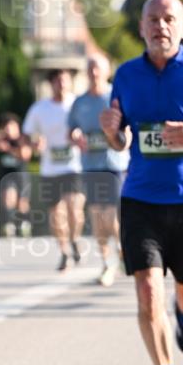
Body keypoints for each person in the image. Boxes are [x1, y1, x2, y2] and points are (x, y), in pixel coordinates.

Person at [100, 0, 183, 365]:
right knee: (147, 290)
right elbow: (121, 139)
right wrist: (111, 132)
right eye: (152, 19)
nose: (160, 26)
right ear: (141, 27)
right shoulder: (126, 74)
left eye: (169, 18)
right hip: (140, 199)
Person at [69, 55, 129, 287]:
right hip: (90, 165)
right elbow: (71, 129)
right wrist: (75, 136)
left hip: (115, 164)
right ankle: (107, 263)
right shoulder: (80, 102)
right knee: (96, 215)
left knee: (112, 216)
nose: (94, 73)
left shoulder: (116, 96)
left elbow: (130, 125)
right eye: (90, 69)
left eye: (97, 69)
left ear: (106, 71)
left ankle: (122, 250)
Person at [23, 69, 85, 271]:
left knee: (74, 208)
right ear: (51, 84)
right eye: (58, 81)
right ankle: (64, 251)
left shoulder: (78, 104)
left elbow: (91, 127)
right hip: (50, 168)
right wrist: (35, 143)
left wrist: (81, 138)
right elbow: (27, 135)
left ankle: (74, 239)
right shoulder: (40, 108)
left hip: (74, 165)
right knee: (56, 213)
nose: (62, 84)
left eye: (65, 80)